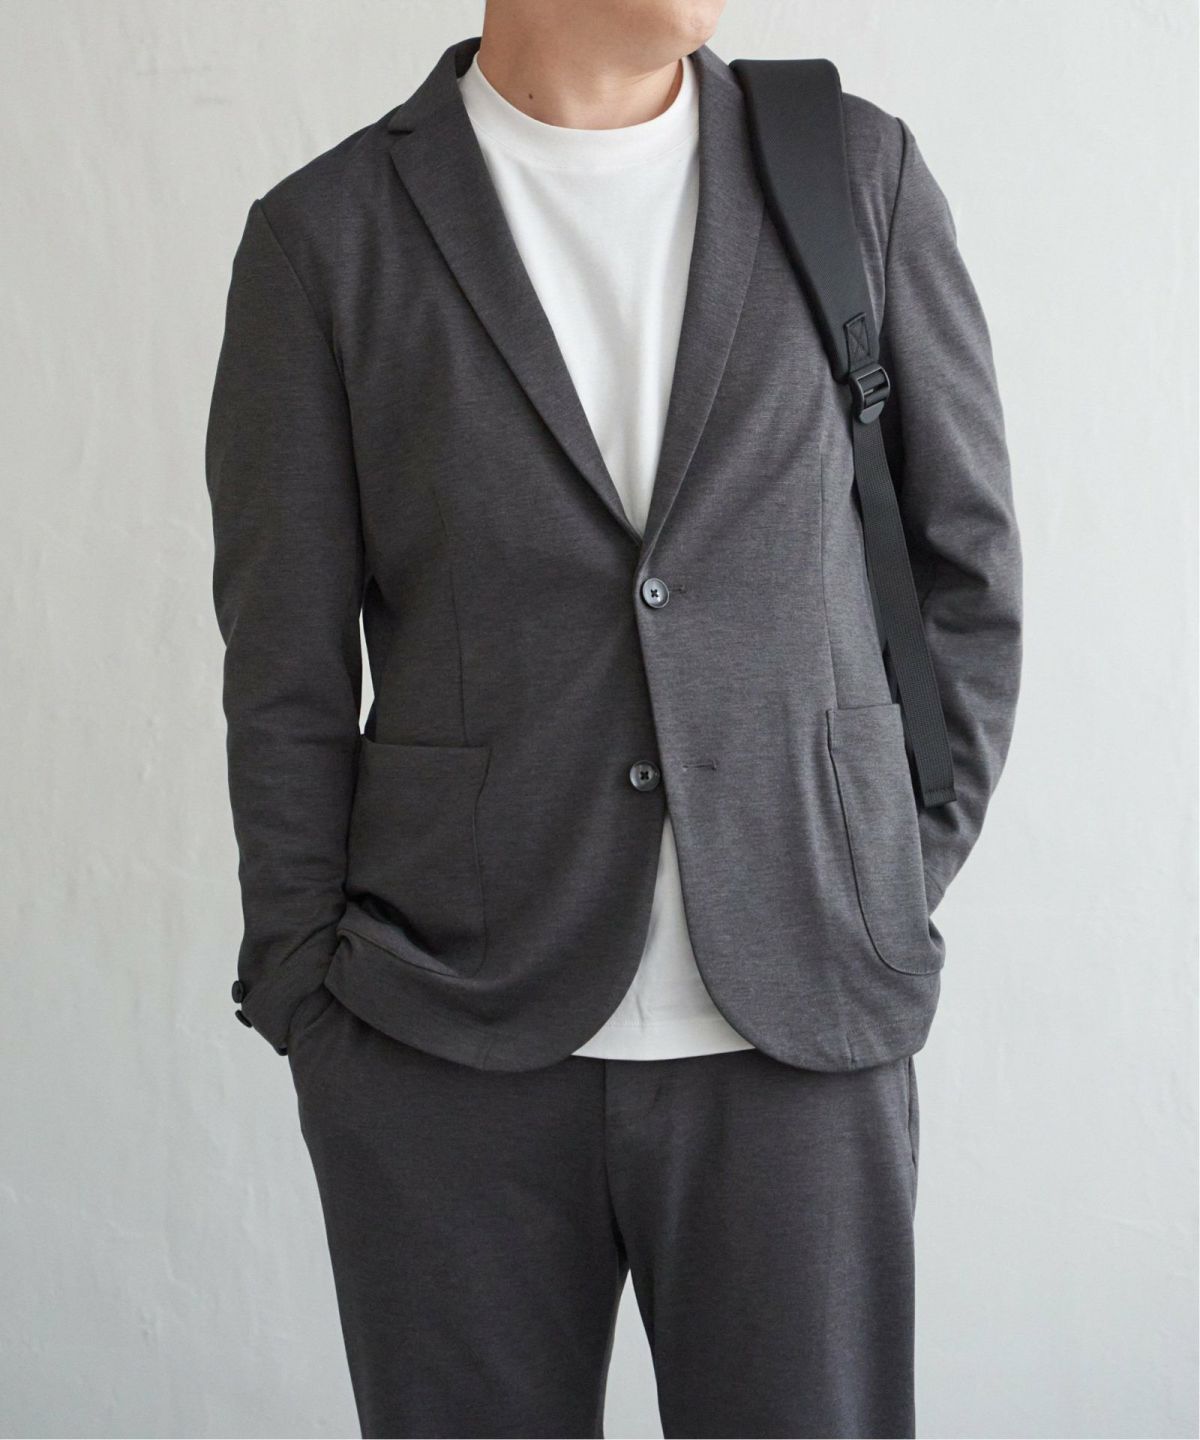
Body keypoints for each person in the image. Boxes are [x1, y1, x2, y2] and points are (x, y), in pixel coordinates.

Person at [204, 1, 1022, 1434]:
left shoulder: (848, 173)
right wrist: (307, 997)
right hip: (444, 1050)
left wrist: (881, 877)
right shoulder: (328, 237)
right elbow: (285, 672)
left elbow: (968, 572)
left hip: (803, 1031)